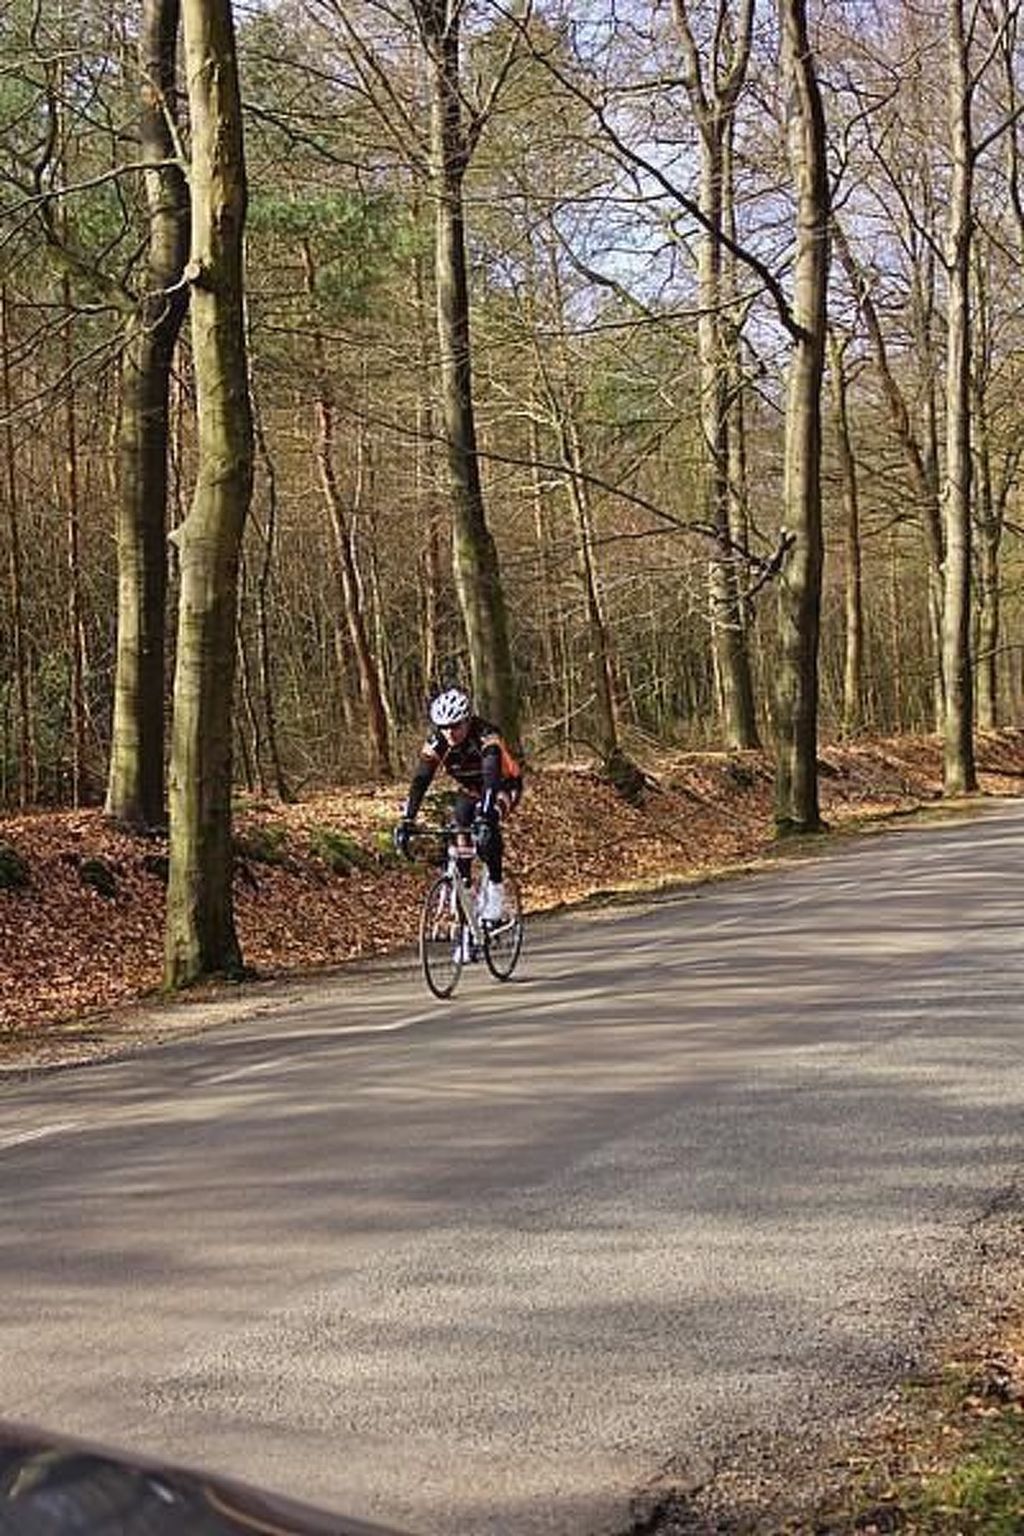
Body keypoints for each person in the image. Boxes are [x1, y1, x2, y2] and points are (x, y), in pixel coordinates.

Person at [393, 687, 522, 923]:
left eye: (455, 726)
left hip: (503, 786)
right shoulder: (437, 743)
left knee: (488, 822)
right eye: (443, 727)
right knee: (460, 827)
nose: (449, 732)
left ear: (467, 721)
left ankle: (495, 890)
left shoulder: (486, 735)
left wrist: (485, 816)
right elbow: (421, 780)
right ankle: (466, 895)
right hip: (471, 790)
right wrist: (407, 819)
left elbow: (492, 775)